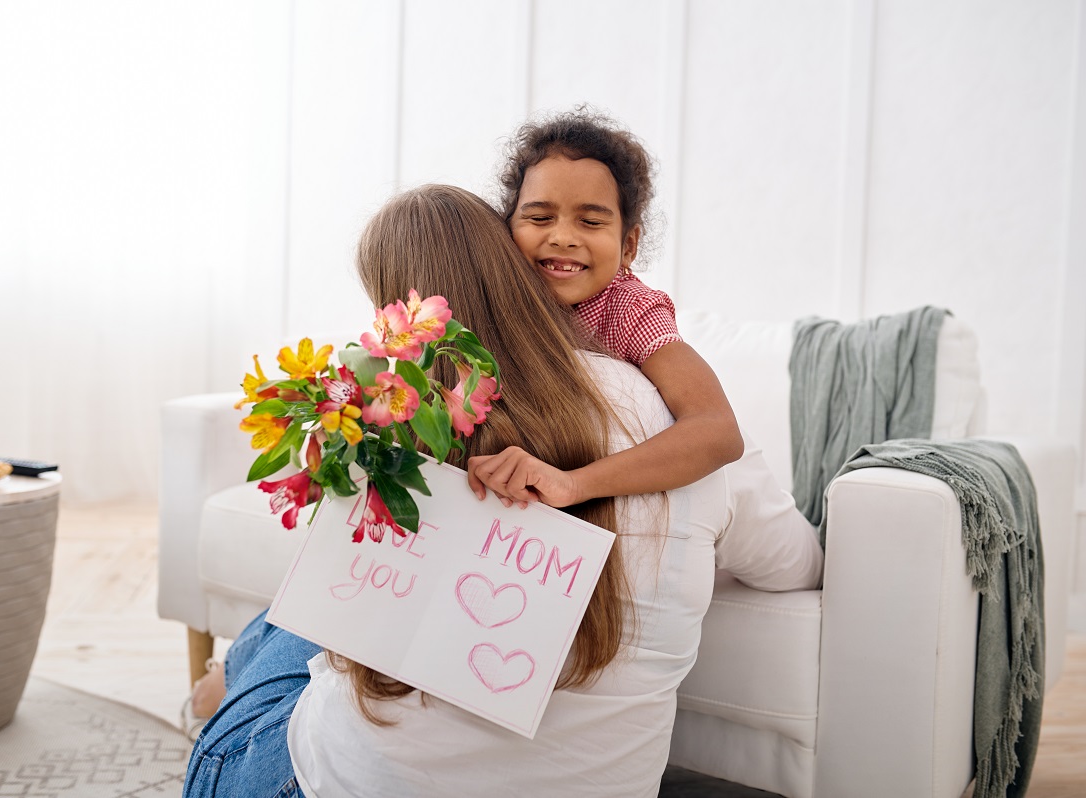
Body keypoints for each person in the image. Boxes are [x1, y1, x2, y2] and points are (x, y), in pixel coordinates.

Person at [183, 185, 823, 798]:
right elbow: (798, 565)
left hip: (328, 783)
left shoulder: (391, 423)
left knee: (289, 623)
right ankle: (223, 680)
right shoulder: (693, 439)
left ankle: (214, 688)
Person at [468, 108, 744, 511]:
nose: (562, 237)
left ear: (628, 246)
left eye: (591, 222)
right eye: (540, 217)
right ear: (506, 230)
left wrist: (574, 485)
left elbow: (719, 432)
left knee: (796, 567)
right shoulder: (498, 301)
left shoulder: (628, 309)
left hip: (729, 485)